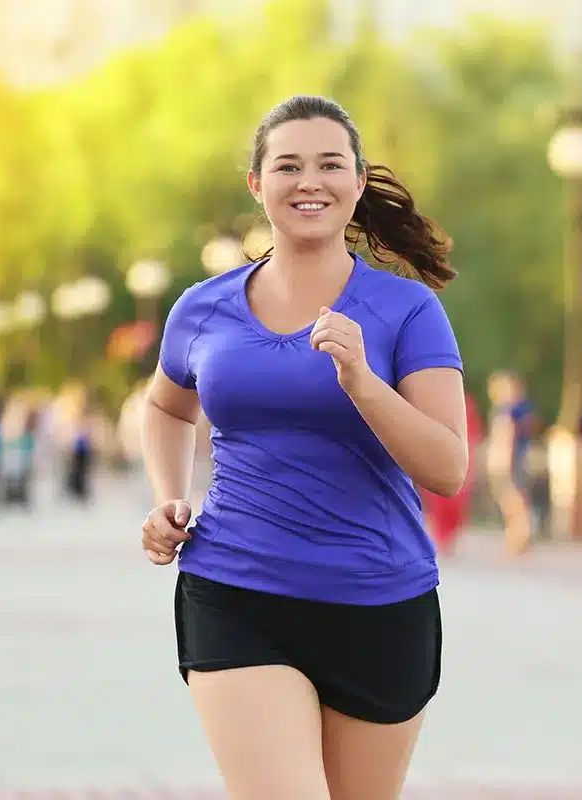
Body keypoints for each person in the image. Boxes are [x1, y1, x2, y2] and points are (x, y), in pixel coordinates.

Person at [140, 95, 466, 800]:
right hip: (235, 592)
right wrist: (169, 496)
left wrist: (364, 384)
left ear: (357, 182)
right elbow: (165, 405)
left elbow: (447, 468)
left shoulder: (409, 311)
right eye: (287, 166)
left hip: (380, 604)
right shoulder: (202, 307)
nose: (308, 181)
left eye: (329, 165)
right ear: (257, 185)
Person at [419, 391, 483, 556]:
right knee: (439, 499)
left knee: (456, 499)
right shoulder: (432, 398)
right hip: (438, 453)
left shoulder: (465, 402)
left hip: (459, 454)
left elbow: (473, 434)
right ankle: (442, 538)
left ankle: (449, 538)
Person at [485, 370, 540, 555]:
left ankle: (518, 539)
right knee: (515, 501)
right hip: (517, 459)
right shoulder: (520, 411)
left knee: (513, 502)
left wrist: (500, 462)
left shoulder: (507, 412)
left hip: (509, 461)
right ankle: (518, 539)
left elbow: (504, 439)